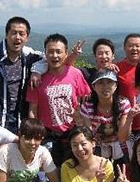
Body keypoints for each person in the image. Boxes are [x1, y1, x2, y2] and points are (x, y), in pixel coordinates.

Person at [26, 33, 91, 167]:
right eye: (50, 52)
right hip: (48, 135)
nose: (54, 56)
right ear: (45, 53)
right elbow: (33, 110)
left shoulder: (75, 73)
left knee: (75, 172)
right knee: (50, 175)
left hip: (73, 133)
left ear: (66, 53)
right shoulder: (37, 79)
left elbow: (86, 103)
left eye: (58, 52)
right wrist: (35, 134)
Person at [78, 70, 139, 163]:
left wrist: (130, 118)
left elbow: (123, 137)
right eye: (100, 83)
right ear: (93, 86)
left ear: (115, 86)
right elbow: (89, 135)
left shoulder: (123, 104)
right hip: (98, 146)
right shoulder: (87, 107)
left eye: (109, 82)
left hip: (121, 143)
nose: (105, 87)